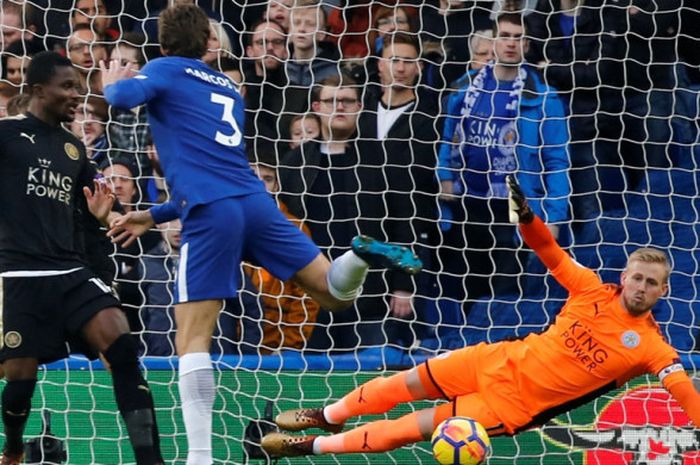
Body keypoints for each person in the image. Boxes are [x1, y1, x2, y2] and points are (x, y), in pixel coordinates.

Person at [100, 5, 421, 465]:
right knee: (334, 292)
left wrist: (113, 76)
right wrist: (155, 214)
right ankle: (361, 255)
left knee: (192, 340)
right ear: (209, 43)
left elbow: (119, 100)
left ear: (163, 43)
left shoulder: (164, 68)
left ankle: (200, 458)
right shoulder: (227, 86)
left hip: (212, 213)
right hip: (254, 202)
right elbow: (212, 166)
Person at [261, 175, 700, 458]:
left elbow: (684, 394)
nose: (641, 287)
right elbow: (548, 251)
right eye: (637, 277)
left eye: (651, 283)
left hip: (510, 405)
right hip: (495, 359)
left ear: (663, 291)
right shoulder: (590, 288)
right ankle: (327, 413)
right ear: (623, 276)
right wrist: (527, 218)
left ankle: (311, 446)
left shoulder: (652, 348)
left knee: (404, 430)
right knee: (401, 384)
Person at [0, 51, 163, 465]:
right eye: (67, 87)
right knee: (19, 379)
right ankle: (15, 446)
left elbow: (90, 216)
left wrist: (100, 224)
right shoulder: (6, 134)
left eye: (79, 85)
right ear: (38, 90)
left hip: (70, 270)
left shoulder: (75, 150)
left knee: (122, 346)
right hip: (17, 274)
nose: (77, 95)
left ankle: (152, 460)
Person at [437, 11, 569, 308]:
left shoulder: (544, 97)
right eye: (504, 36)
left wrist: (555, 217)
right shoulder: (463, 88)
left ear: (526, 45)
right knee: (461, 291)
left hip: (514, 206)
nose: (510, 43)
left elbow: (557, 161)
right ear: (493, 41)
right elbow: (447, 137)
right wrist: (444, 176)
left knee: (503, 296)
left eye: (518, 37)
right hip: (466, 203)